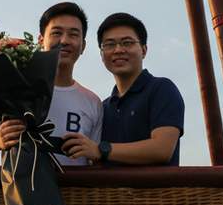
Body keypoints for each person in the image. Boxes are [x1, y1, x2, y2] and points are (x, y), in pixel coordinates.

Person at [0, 1, 103, 166]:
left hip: (74, 191)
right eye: (56, 33)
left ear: (83, 46)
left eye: (74, 34)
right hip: (23, 190)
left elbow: (96, 161)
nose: (65, 40)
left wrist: (94, 152)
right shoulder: (15, 87)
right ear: (41, 40)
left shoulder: (93, 102)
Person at [62, 12, 184, 166]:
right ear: (101, 54)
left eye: (127, 43)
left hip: (157, 190)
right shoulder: (102, 107)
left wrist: (101, 150)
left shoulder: (162, 89)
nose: (118, 50)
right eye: (109, 44)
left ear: (144, 50)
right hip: (111, 191)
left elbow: (162, 149)